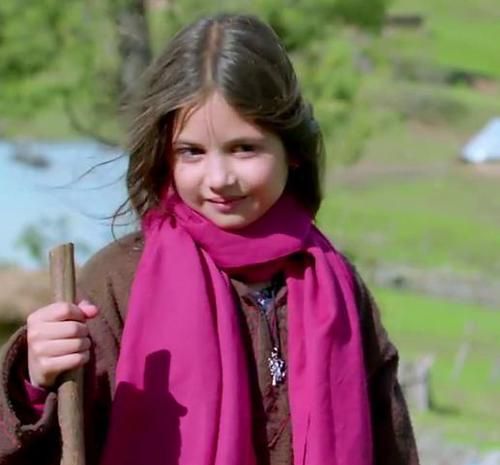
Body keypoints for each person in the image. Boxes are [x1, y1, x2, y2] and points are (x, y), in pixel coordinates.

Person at [0, 13, 419, 465]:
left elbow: (391, 447)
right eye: (192, 152)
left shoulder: (338, 289)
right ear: (165, 155)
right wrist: (34, 382)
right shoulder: (117, 284)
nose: (219, 178)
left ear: (292, 150)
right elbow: (45, 447)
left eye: (244, 148)